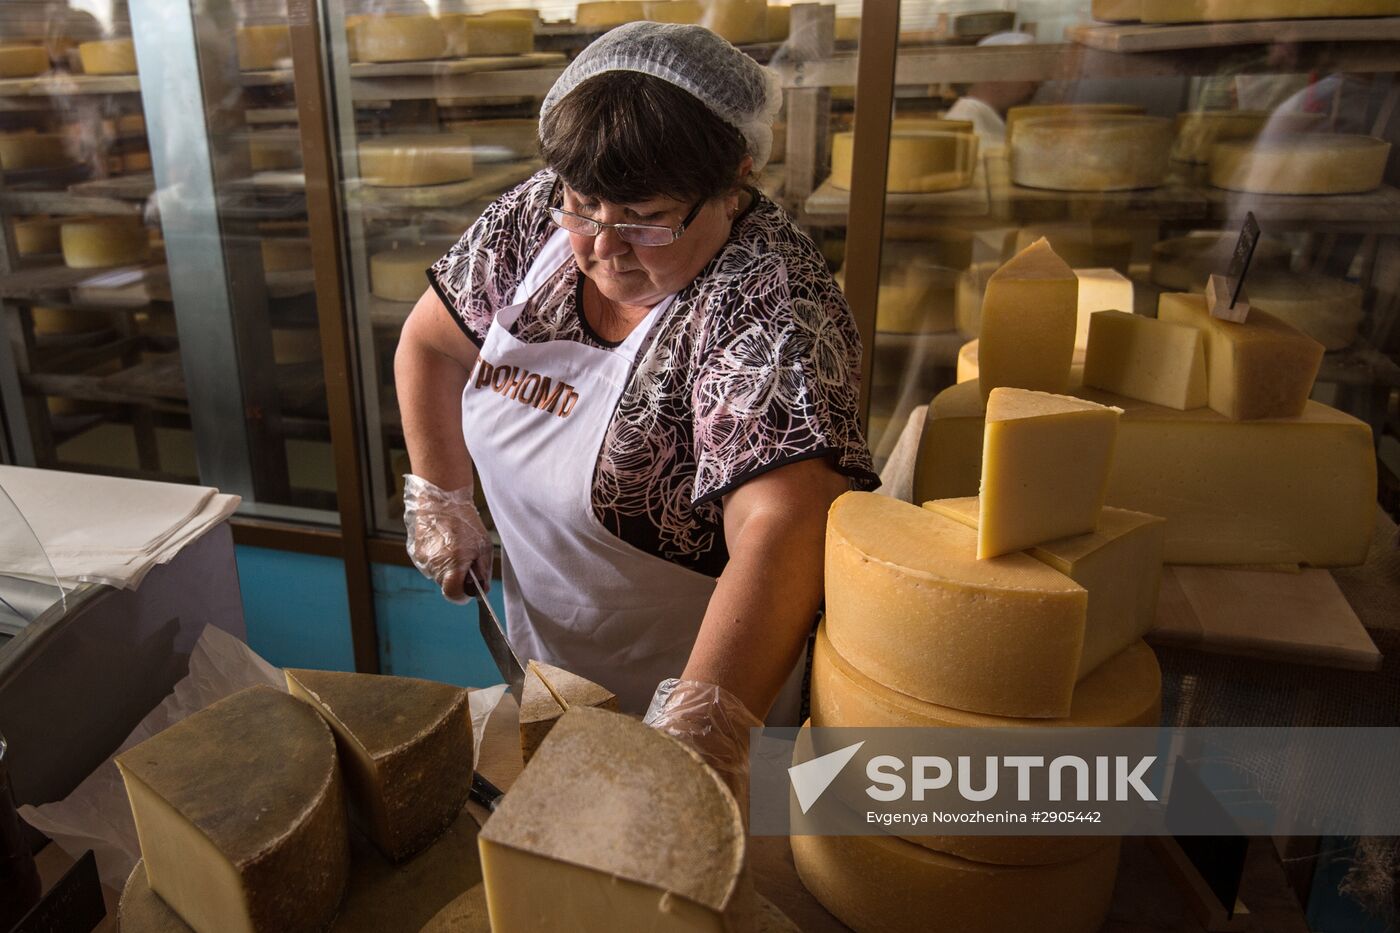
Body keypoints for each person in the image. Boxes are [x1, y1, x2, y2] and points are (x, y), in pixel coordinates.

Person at [394, 23, 876, 780]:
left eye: (646, 219)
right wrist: (443, 495)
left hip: (709, 691)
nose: (604, 245)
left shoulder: (768, 305)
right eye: (583, 206)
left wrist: (704, 727)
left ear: (734, 179)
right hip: (551, 671)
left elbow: (785, 525)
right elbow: (431, 345)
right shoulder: (539, 215)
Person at [944, 31, 1039, 148]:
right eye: (1030, 74)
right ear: (995, 73)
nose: (1036, 84)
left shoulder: (985, 118)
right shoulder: (968, 122)